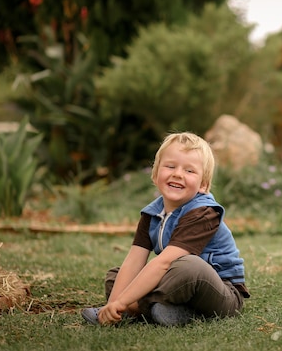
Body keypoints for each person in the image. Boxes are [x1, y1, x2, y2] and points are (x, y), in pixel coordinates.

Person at [81, 132, 249, 326]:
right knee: (117, 276)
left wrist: (122, 301)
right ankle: (167, 311)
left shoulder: (203, 213)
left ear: (203, 185)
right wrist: (111, 305)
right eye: (170, 166)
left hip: (221, 293)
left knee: (188, 266)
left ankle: (136, 308)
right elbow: (134, 260)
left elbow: (164, 263)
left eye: (189, 171)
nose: (178, 173)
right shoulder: (151, 214)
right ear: (155, 174)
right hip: (177, 283)